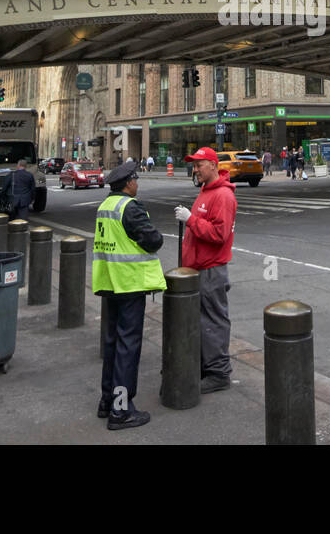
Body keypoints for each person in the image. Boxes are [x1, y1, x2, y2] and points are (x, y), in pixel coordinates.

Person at [93, 161, 165, 430]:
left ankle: (107, 400)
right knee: (127, 347)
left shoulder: (105, 206)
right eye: (135, 180)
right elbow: (153, 239)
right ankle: (121, 411)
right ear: (128, 183)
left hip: (109, 282)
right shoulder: (130, 207)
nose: (138, 184)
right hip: (129, 284)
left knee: (112, 343)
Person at [174, 147, 236, 393]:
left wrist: (190, 219)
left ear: (212, 165)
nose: (195, 169)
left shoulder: (222, 196)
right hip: (200, 268)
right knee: (202, 321)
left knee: (213, 322)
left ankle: (219, 373)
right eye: (194, 165)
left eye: (199, 165)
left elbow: (219, 234)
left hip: (211, 270)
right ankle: (206, 366)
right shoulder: (206, 191)